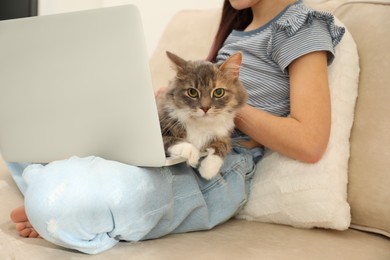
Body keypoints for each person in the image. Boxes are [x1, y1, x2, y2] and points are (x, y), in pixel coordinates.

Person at [8, 0, 344, 254]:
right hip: (179, 142)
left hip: (222, 164)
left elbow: (310, 142)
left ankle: (56, 197)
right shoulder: (239, 29)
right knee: (21, 136)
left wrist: (223, 106)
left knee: (58, 196)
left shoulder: (300, 26)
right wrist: (175, 104)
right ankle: (59, 194)